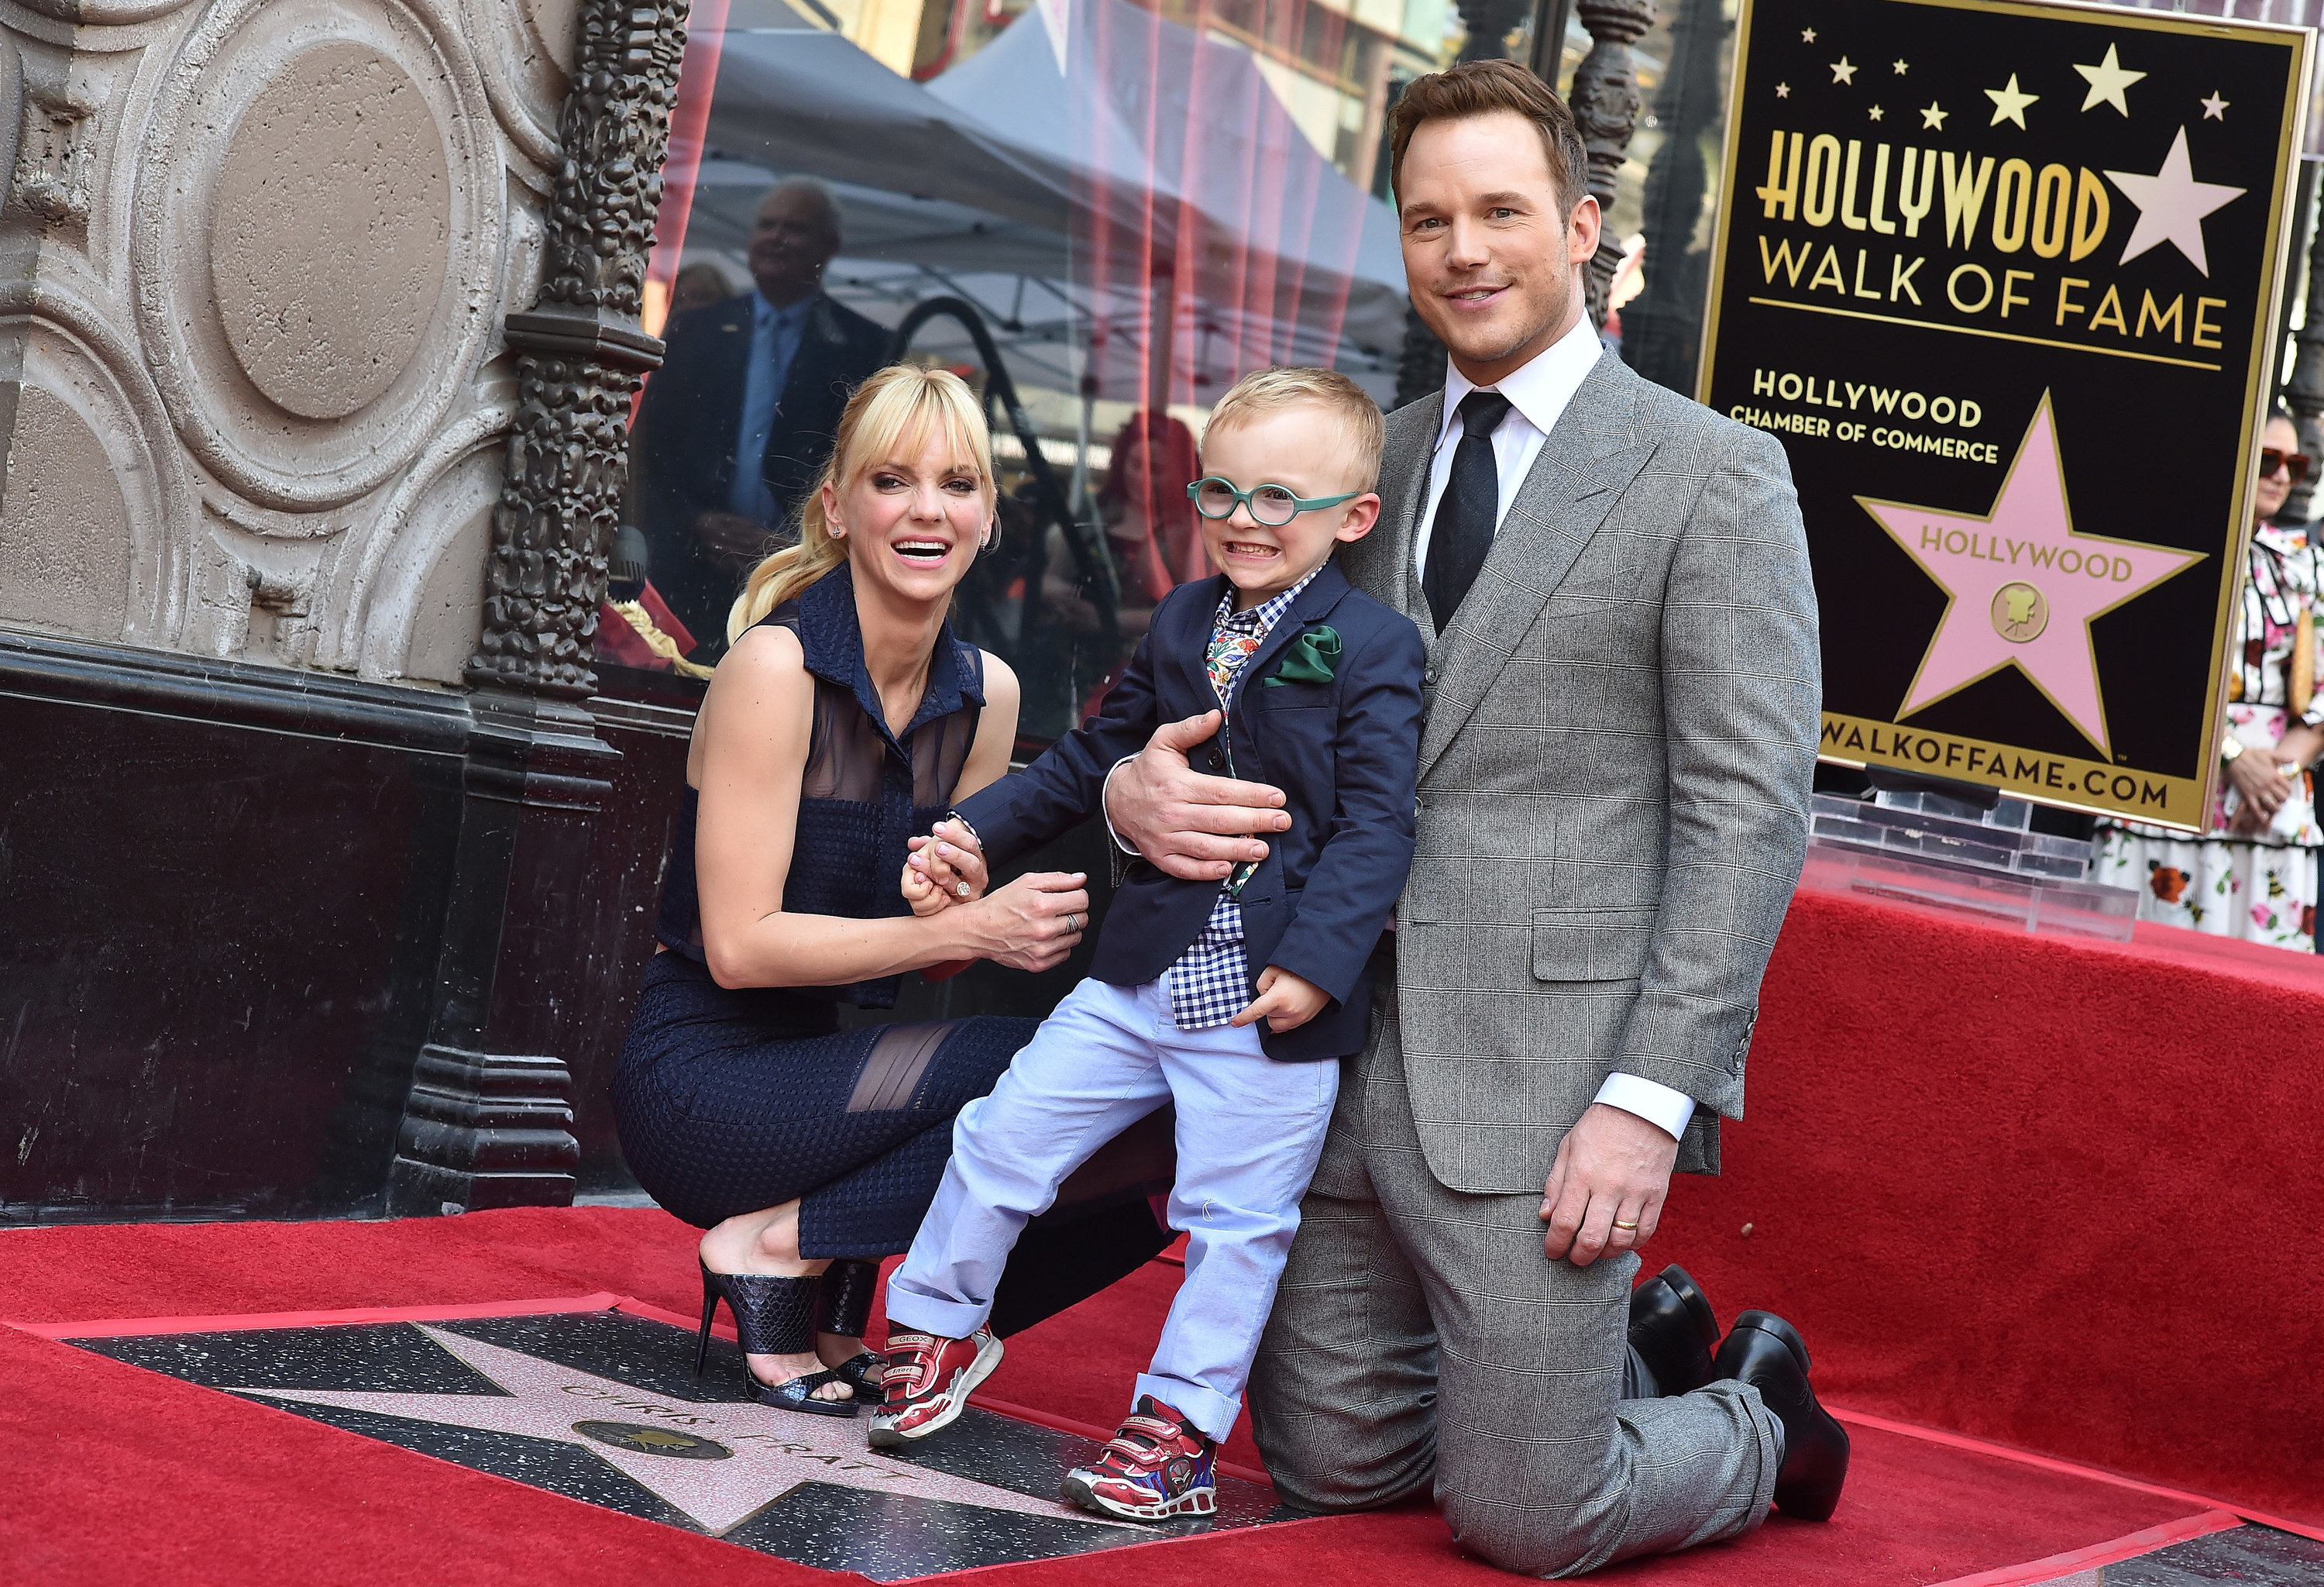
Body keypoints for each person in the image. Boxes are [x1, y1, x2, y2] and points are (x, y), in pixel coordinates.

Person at [1081, 60, 1844, 1574]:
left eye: (1501, 211)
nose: (1466, 249)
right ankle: (1613, 1358)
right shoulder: (1365, 467)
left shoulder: (1712, 475)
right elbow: (1217, 693)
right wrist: (1125, 788)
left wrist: (1652, 1097)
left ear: (1581, 227)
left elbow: (1748, 812)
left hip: (1547, 1085)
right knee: (1332, 1470)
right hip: (1336, 1054)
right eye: (1430, 220)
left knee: (1528, 1516)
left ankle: (1757, 1413)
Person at [865, 368, 1425, 1526]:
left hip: (1265, 1001)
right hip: (1141, 975)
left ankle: (1175, 1435)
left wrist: (1320, 961)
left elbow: (1378, 822)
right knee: (1002, 1137)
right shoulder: (1180, 615)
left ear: (1352, 519)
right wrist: (976, 827)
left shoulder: (1372, 646)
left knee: (1237, 1222)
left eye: (1281, 499)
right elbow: (1090, 759)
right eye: (1222, 490)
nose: (1242, 519)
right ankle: (933, 1334)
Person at [613, 365, 1152, 1419]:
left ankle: (819, 1263)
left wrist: (966, 925)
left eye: (956, 485)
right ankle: (773, 1243)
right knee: (1036, 1063)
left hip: (841, 1074)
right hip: (702, 1083)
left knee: (1128, 1098)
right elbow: (740, 949)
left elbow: (931, 953)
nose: (925, 511)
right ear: (838, 508)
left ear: (990, 518)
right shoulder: (776, 670)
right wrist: (973, 930)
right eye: (892, 481)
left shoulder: (985, 695)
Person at [627, 180, 890, 656]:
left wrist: (791, 541)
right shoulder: (696, 329)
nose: (777, 237)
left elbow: (870, 466)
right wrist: (698, 521)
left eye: (795, 228)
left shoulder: (866, 347)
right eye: (767, 225)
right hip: (687, 570)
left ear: (828, 246)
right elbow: (654, 449)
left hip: (798, 577)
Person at [2095, 409, 2324, 951]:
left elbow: (2319, 692)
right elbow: (2132, 675)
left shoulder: (2307, 564)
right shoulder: (2161, 552)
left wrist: (2276, 775)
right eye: (2268, 460)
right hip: (2169, 788)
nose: (2282, 477)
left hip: (2270, 807)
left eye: (2295, 463)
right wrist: (2228, 752)